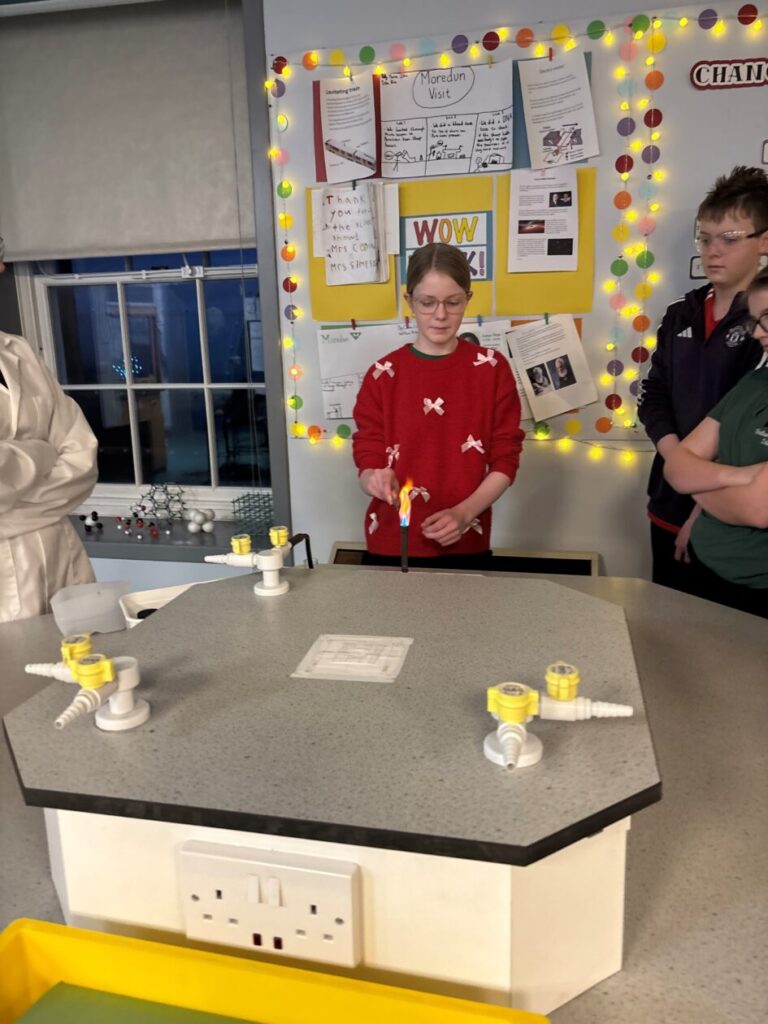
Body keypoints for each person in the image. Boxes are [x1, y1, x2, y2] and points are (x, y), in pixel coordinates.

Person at [637, 166, 768, 593]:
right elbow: (654, 394)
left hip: (724, 516)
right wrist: (677, 461)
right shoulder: (681, 313)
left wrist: (700, 509)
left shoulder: (761, 324)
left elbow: (744, 433)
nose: (714, 251)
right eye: (705, 239)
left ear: (763, 241)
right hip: (668, 498)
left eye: (729, 238)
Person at [352, 242, 523, 566]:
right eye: (427, 303)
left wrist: (465, 513)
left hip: (465, 542)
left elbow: (506, 459)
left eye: (453, 302)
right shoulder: (383, 374)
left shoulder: (491, 368)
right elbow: (366, 456)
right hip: (391, 544)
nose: (441, 315)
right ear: (410, 301)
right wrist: (373, 478)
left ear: (468, 299)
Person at [663, 267, 768, 618]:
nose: (758, 333)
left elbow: (757, 509)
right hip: (707, 568)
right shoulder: (755, 382)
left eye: (766, 319)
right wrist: (741, 475)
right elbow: (677, 466)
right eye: (755, 321)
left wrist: (699, 478)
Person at [0, 297, 99, 621]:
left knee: (86, 648)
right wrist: (42, 452)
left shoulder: (19, 350)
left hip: (62, 559)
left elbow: (82, 460)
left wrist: (12, 494)